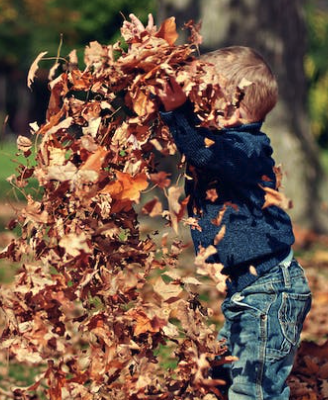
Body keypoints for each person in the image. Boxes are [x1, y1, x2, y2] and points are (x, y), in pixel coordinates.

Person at [123, 13, 312, 400]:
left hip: (268, 294)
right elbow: (201, 143)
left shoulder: (246, 149)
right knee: (222, 377)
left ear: (233, 109)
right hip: (247, 293)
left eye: (204, 99)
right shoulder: (228, 143)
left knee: (254, 390)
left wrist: (176, 114)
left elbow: (205, 153)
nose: (195, 106)